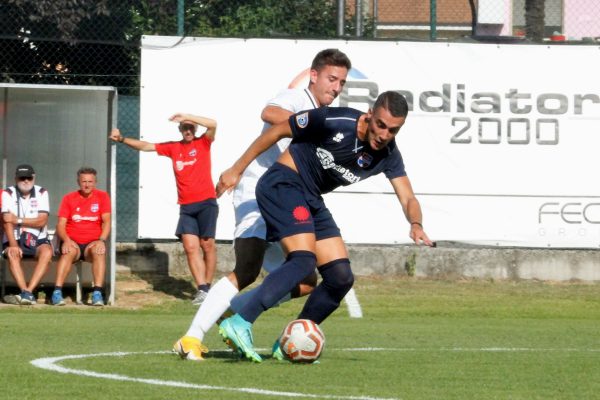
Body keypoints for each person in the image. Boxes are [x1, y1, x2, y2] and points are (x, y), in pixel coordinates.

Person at [216, 91, 434, 362]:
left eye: (393, 130)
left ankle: (289, 342)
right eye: (381, 125)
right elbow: (276, 132)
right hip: (283, 183)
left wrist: (416, 223)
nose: (385, 134)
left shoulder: (389, 154)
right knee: (303, 262)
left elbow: (408, 196)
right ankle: (240, 322)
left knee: (340, 278)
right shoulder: (335, 119)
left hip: (311, 199)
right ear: (370, 114)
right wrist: (236, 169)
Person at [172, 49, 351, 361]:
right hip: (258, 189)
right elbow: (270, 113)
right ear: (314, 75)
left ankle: (235, 312)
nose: (336, 87)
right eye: (331, 79)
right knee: (248, 267)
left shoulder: (324, 116)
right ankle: (191, 338)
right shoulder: (297, 99)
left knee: (307, 280)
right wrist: (310, 127)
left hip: (287, 197)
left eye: (342, 83)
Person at [110, 113, 218, 306]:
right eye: (184, 127)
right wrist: (122, 139)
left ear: (195, 129)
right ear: (179, 130)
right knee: (190, 247)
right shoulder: (173, 147)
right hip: (186, 206)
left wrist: (187, 116)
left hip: (206, 202)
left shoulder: (203, 143)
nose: (188, 131)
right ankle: (202, 290)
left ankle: (209, 286)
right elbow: (146, 146)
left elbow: (213, 123)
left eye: (191, 127)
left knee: (207, 245)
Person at [51, 167, 111, 306]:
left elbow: (107, 222)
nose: (87, 184)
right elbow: (61, 224)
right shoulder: (69, 198)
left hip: (93, 243)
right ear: (78, 181)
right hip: (72, 242)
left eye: (90, 181)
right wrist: (65, 240)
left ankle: (97, 293)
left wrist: (102, 240)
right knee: (68, 251)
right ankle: (57, 293)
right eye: (84, 181)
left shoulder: (103, 197)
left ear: (95, 182)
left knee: (99, 251)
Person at [1, 164, 52, 305]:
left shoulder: (42, 192)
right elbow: (6, 221)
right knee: (12, 252)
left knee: (47, 252)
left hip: (38, 238)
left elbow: (42, 221)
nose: (26, 181)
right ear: (16, 178)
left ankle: (28, 291)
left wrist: (17, 219)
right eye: (22, 178)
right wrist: (13, 244)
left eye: (29, 177)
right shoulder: (8, 193)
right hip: (14, 238)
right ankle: (25, 291)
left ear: (33, 178)